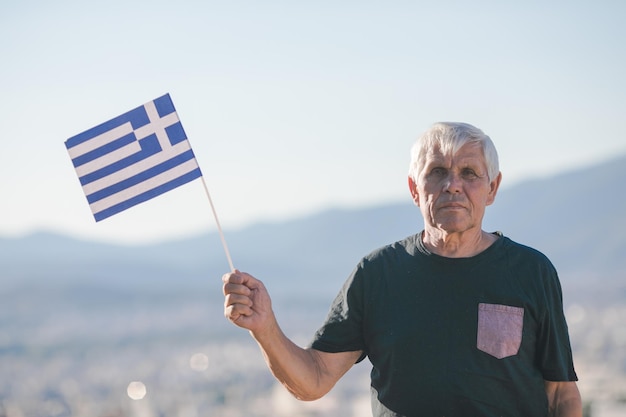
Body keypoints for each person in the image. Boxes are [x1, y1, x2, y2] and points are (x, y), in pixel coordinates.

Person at [222, 122, 582, 416]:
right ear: (414, 188)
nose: (452, 185)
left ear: (492, 188)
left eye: (469, 173)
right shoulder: (377, 275)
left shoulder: (531, 272)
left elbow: (561, 394)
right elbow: (314, 380)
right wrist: (266, 329)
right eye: (437, 172)